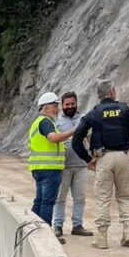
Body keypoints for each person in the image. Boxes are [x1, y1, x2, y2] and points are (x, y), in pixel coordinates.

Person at [72, 79, 129, 249]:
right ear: (112, 93)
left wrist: (87, 159)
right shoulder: (126, 110)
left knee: (103, 198)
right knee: (124, 195)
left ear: (99, 95)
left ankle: (102, 237)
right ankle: (128, 231)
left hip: (103, 158)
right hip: (124, 156)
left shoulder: (93, 114)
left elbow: (76, 140)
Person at [51, 91, 93, 243]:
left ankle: (77, 225)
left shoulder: (84, 119)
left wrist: (92, 157)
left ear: (76, 103)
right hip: (63, 165)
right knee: (60, 198)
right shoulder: (56, 122)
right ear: (62, 105)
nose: (69, 106)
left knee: (80, 197)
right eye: (67, 104)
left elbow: (89, 138)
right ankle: (57, 226)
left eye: (72, 104)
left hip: (81, 165)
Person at [28, 91, 76, 226]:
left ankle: (33, 228)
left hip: (39, 169)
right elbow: (52, 137)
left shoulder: (37, 122)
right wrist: (73, 130)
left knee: (40, 200)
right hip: (49, 169)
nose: (57, 109)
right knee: (47, 202)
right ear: (46, 107)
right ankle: (45, 232)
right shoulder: (46, 122)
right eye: (55, 105)